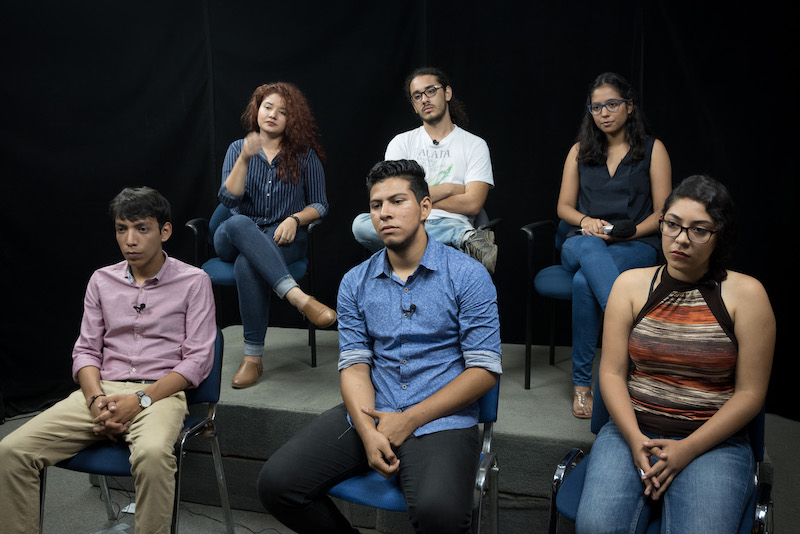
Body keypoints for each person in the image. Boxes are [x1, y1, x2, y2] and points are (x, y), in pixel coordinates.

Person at [258, 159, 502, 533]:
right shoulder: (355, 282)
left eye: (397, 201)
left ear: (425, 208)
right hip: (373, 410)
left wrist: (409, 419)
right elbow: (355, 365)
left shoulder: (468, 275)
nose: (385, 212)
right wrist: (367, 429)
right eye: (376, 205)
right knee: (277, 485)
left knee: (441, 515)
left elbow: (484, 369)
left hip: (440, 418)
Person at [0, 187, 216, 534]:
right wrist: (97, 399)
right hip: (101, 392)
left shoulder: (194, 281)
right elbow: (85, 351)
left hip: (159, 394)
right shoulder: (102, 280)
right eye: (121, 229)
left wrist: (139, 400)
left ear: (165, 231)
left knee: (152, 455)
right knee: (11, 451)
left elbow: (197, 361)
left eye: (142, 228)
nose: (130, 240)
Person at [575, 175, 775, 533]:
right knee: (596, 528)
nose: (681, 239)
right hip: (632, 432)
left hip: (713, 440)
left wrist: (686, 450)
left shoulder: (748, 295)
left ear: (720, 236)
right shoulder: (630, 285)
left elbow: (750, 395)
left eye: (699, 230)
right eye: (672, 225)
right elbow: (611, 374)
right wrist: (636, 440)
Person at [556, 72, 672, 418]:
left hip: (633, 243)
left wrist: (626, 233)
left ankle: (582, 386)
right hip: (582, 241)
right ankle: (638, 340)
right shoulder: (579, 151)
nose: (604, 113)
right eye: (596, 107)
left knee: (582, 283)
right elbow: (563, 207)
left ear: (629, 106)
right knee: (590, 249)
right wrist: (585, 222)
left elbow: (664, 213)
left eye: (611, 104)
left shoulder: (653, 149)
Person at [213, 82, 336, 389]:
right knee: (239, 225)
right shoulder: (235, 149)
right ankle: (299, 297)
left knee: (246, 263)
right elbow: (229, 201)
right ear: (257, 110)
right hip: (234, 234)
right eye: (268, 107)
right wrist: (244, 157)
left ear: (291, 120)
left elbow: (320, 204)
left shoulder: (305, 156)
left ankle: (252, 358)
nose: (273, 115)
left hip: (283, 238)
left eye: (282, 112)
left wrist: (295, 219)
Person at [351, 67, 498, 273]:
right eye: (417, 96)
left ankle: (449, 237)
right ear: (413, 105)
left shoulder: (474, 145)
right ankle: (461, 237)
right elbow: (392, 197)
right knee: (360, 225)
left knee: (398, 231)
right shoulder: (401, 143)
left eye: (431, 91)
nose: (424, 99)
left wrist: (412, 199)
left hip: (446, 221)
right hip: (408, 222)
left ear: (447, 93)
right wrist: (448, 188)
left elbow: (473, 204)